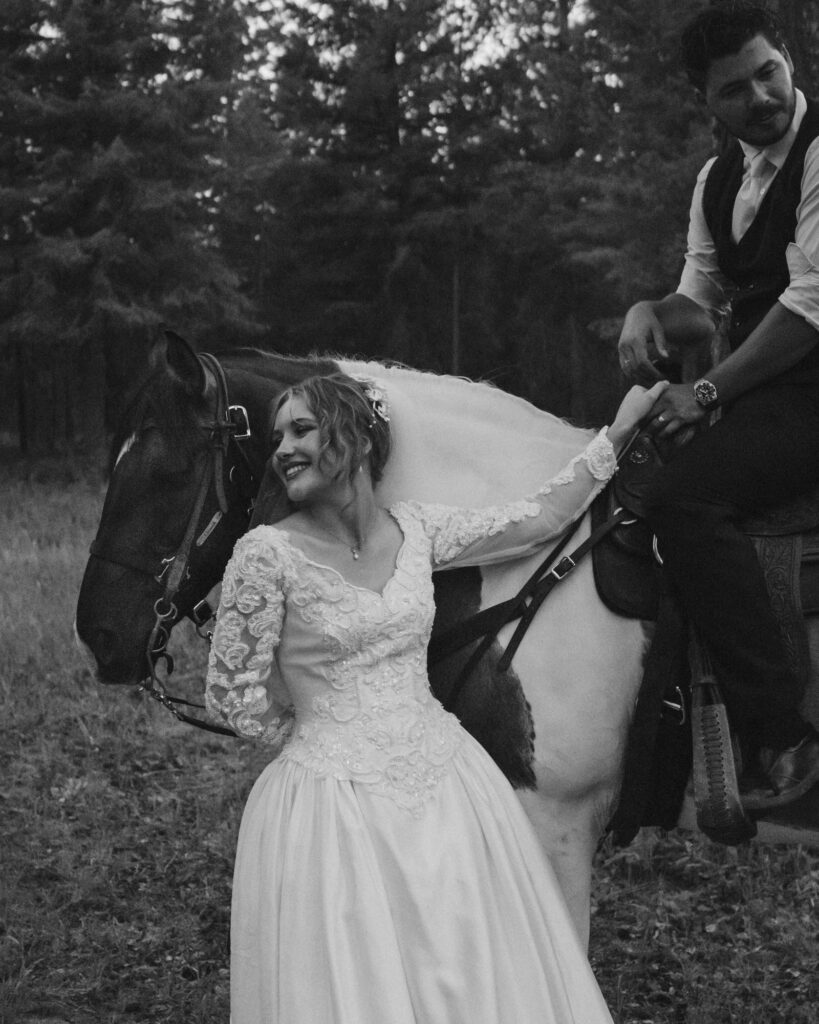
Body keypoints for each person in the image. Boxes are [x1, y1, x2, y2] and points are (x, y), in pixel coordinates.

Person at [205, 370, 665, 1024]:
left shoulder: (416, 532)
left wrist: (615, 436)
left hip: (447, 786)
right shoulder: (264, 555)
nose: (281, 449)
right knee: (357, 974)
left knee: (462, 962)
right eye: (279, 435)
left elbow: (535, 520)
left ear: (356, 440)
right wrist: (328, 741)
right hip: (331, 800)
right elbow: (230, 695)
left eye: (300, 429)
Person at [617, 1, 819, 810]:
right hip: (771, 387)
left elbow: (810, 303)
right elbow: (696, 298)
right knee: (623, 464)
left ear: (788, 60)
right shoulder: (718, 179)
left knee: (685, 497)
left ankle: (781, 732)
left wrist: (704, 391)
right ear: (706, 100)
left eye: (768, 72)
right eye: (735, 88)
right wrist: (647, 314)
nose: (761, 96)